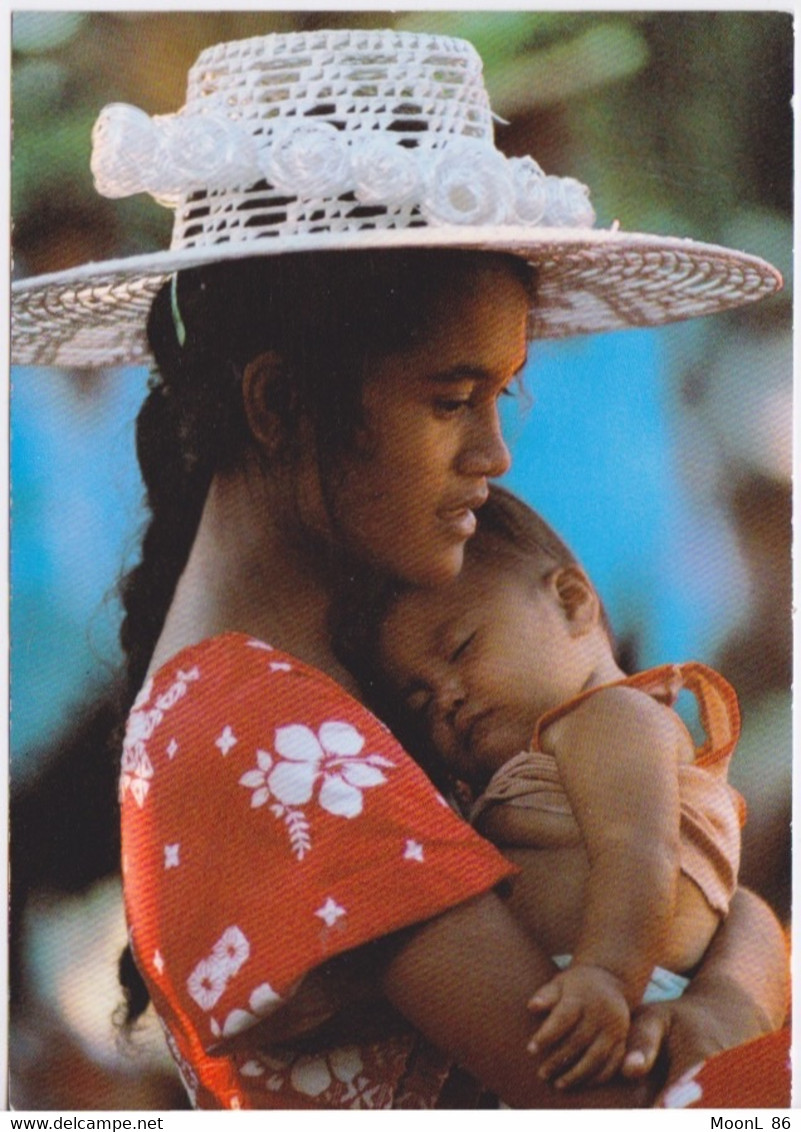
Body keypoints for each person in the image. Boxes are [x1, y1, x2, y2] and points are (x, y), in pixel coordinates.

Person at [11, 27, 789, 1111]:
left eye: (501, 397)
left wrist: (742, 937)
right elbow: (620, 1098)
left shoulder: (322, 680)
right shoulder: (265, 734)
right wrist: (747, 985)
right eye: (448, 398)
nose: (496, 454)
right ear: (280, 405)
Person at [371, 484, 746, 1091]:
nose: (448, 696)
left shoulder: (606, 717)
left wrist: (606, 973)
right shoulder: (553, 748)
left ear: (573, 602)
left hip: (613, 995)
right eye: (419, 698)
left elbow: (640, 850)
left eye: (462, 647)